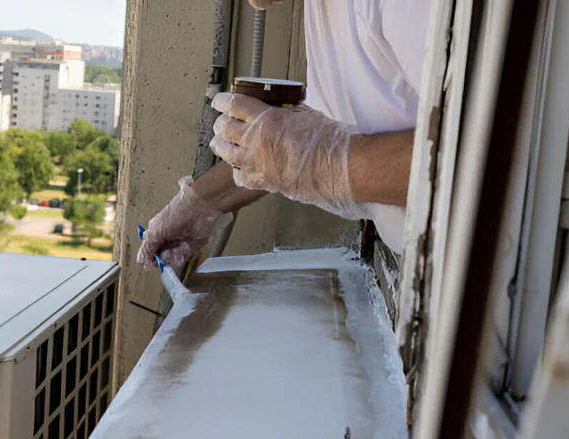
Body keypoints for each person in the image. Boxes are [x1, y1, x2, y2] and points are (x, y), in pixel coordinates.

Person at [137, 0, 430, 267]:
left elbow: (470, 159)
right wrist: (198, 205)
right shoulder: (322, 9)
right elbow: (291, 150)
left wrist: (321, 166)